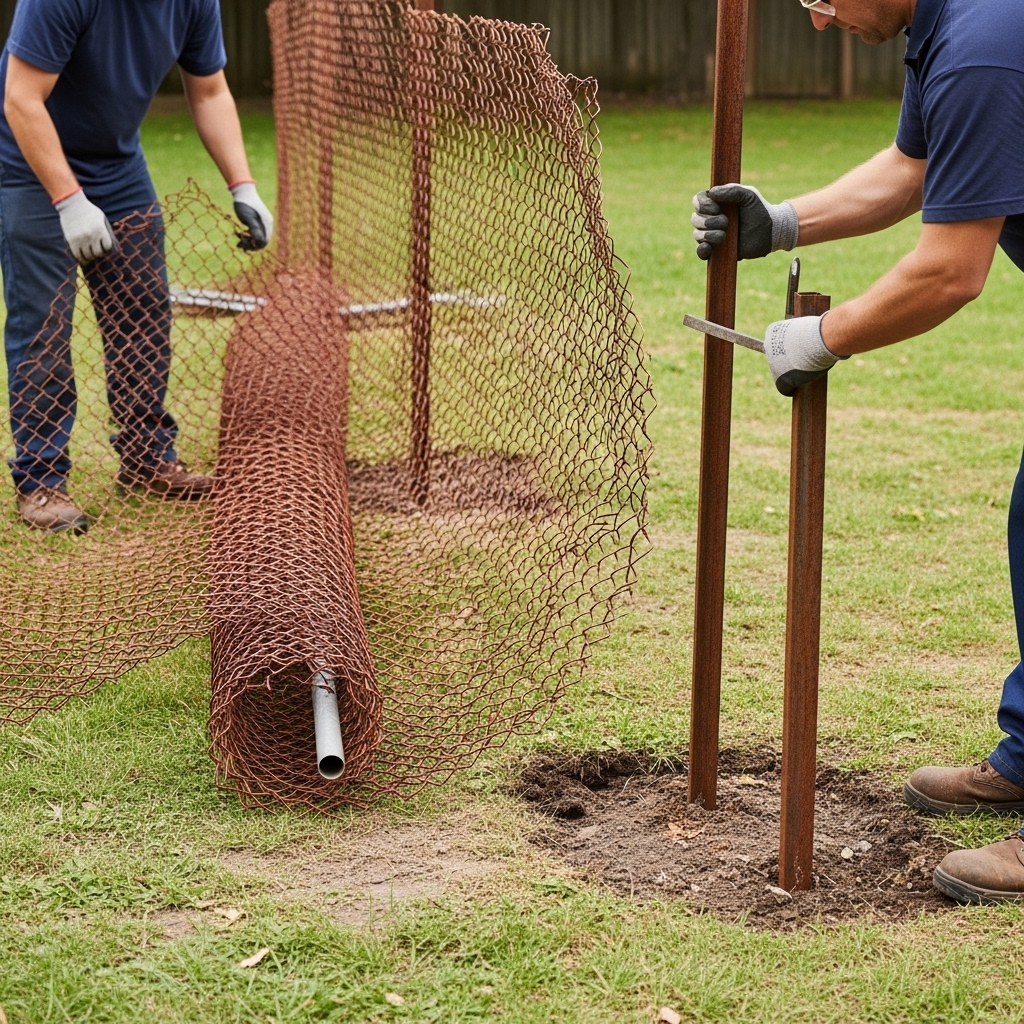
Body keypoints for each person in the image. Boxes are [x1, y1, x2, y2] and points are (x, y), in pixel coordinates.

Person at [692, 0, 1024, 903]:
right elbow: (914, 169)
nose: (818, 15)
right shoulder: (950, 31)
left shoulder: (987, 45)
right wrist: (782, 222)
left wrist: (824, 336)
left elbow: (953, 268)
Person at [0, 0, 274, 535]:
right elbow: (21, 98)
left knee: (143, 311)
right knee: (43, 323)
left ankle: (147, 458)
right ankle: (41, 479)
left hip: (117, 163)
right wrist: (68, 200)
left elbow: (211, 89)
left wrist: (243, 186)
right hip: (28, 161)